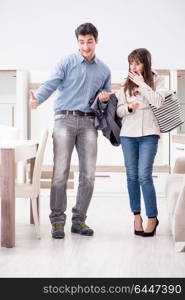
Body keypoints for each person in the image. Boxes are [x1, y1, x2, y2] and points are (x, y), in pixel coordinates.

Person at [29, 23, 114, 239]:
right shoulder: (66, 62)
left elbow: (103, 105)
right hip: (64, 120)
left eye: (90, 41)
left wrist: (104, 100)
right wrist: (37, 99)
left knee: (88, 175)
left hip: (88, 124)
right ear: (77, 42)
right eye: (82, 42)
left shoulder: (104, 70)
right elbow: (50, 84)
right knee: (60, 173)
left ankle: (79, 220)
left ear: (97, 40)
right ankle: (57, 221)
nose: (86, 46)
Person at [117, 48, 168, 237]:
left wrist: (142, 84)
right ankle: (136, 216)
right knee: (131, 176)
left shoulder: (158, 80)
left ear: (146, 63)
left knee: (144, 176)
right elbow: (118, 111)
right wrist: (128, 108)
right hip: (128, 135)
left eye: (137, 63)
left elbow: (159, 102)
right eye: (131, 63)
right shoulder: (125, 84)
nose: (134, 66)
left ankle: (152, 217)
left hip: (149, 134)